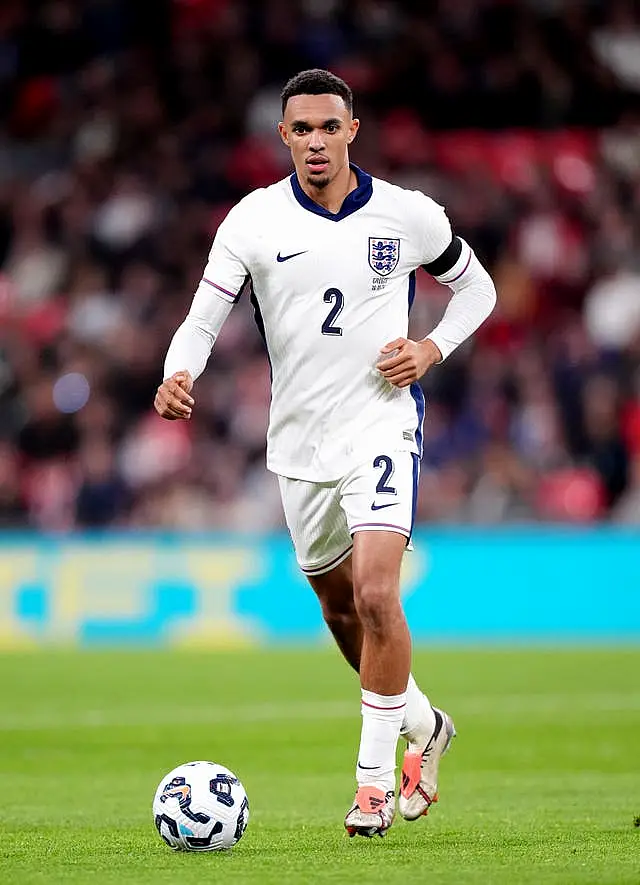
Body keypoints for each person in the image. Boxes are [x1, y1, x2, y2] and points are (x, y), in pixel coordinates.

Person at [155, 69, 497, 838]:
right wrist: (179, 372)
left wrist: (432, 348)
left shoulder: (408, 214)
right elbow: (201, 321)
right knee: (340, 607)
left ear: (352, 130)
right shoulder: (252, 220)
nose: (315, 141)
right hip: (299, 445)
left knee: (378, 594)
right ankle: (425, 723)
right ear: (284, 137)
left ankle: (371, 786)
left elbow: (479, 290)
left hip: (380, 425)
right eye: (300, 129)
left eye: (328, 127)